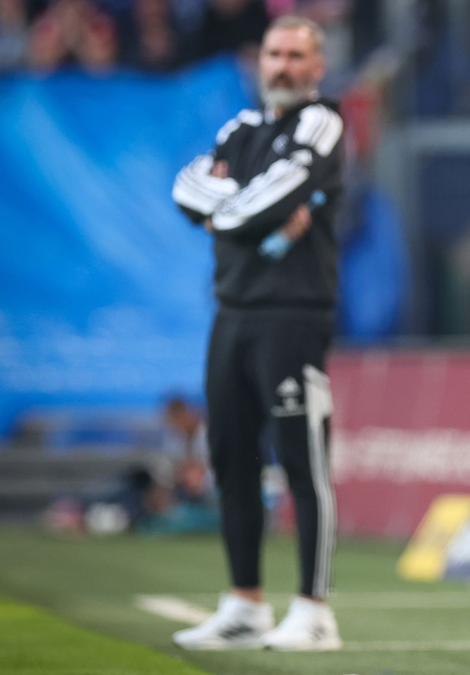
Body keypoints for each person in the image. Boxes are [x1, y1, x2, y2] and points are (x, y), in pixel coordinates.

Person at [170, 15, 344, 652]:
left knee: (303, 461)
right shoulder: (240, 128)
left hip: (293, 314)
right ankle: (244, 604)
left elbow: (268, 197)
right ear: (259, 60)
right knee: (230, 458)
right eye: (274, 54)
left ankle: (314, 610)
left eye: (297, 55)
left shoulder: (322, 122)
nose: (283, 66)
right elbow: (183, 189)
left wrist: (227, 205)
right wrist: (239, 205)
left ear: (317, 66)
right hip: (233, 312)